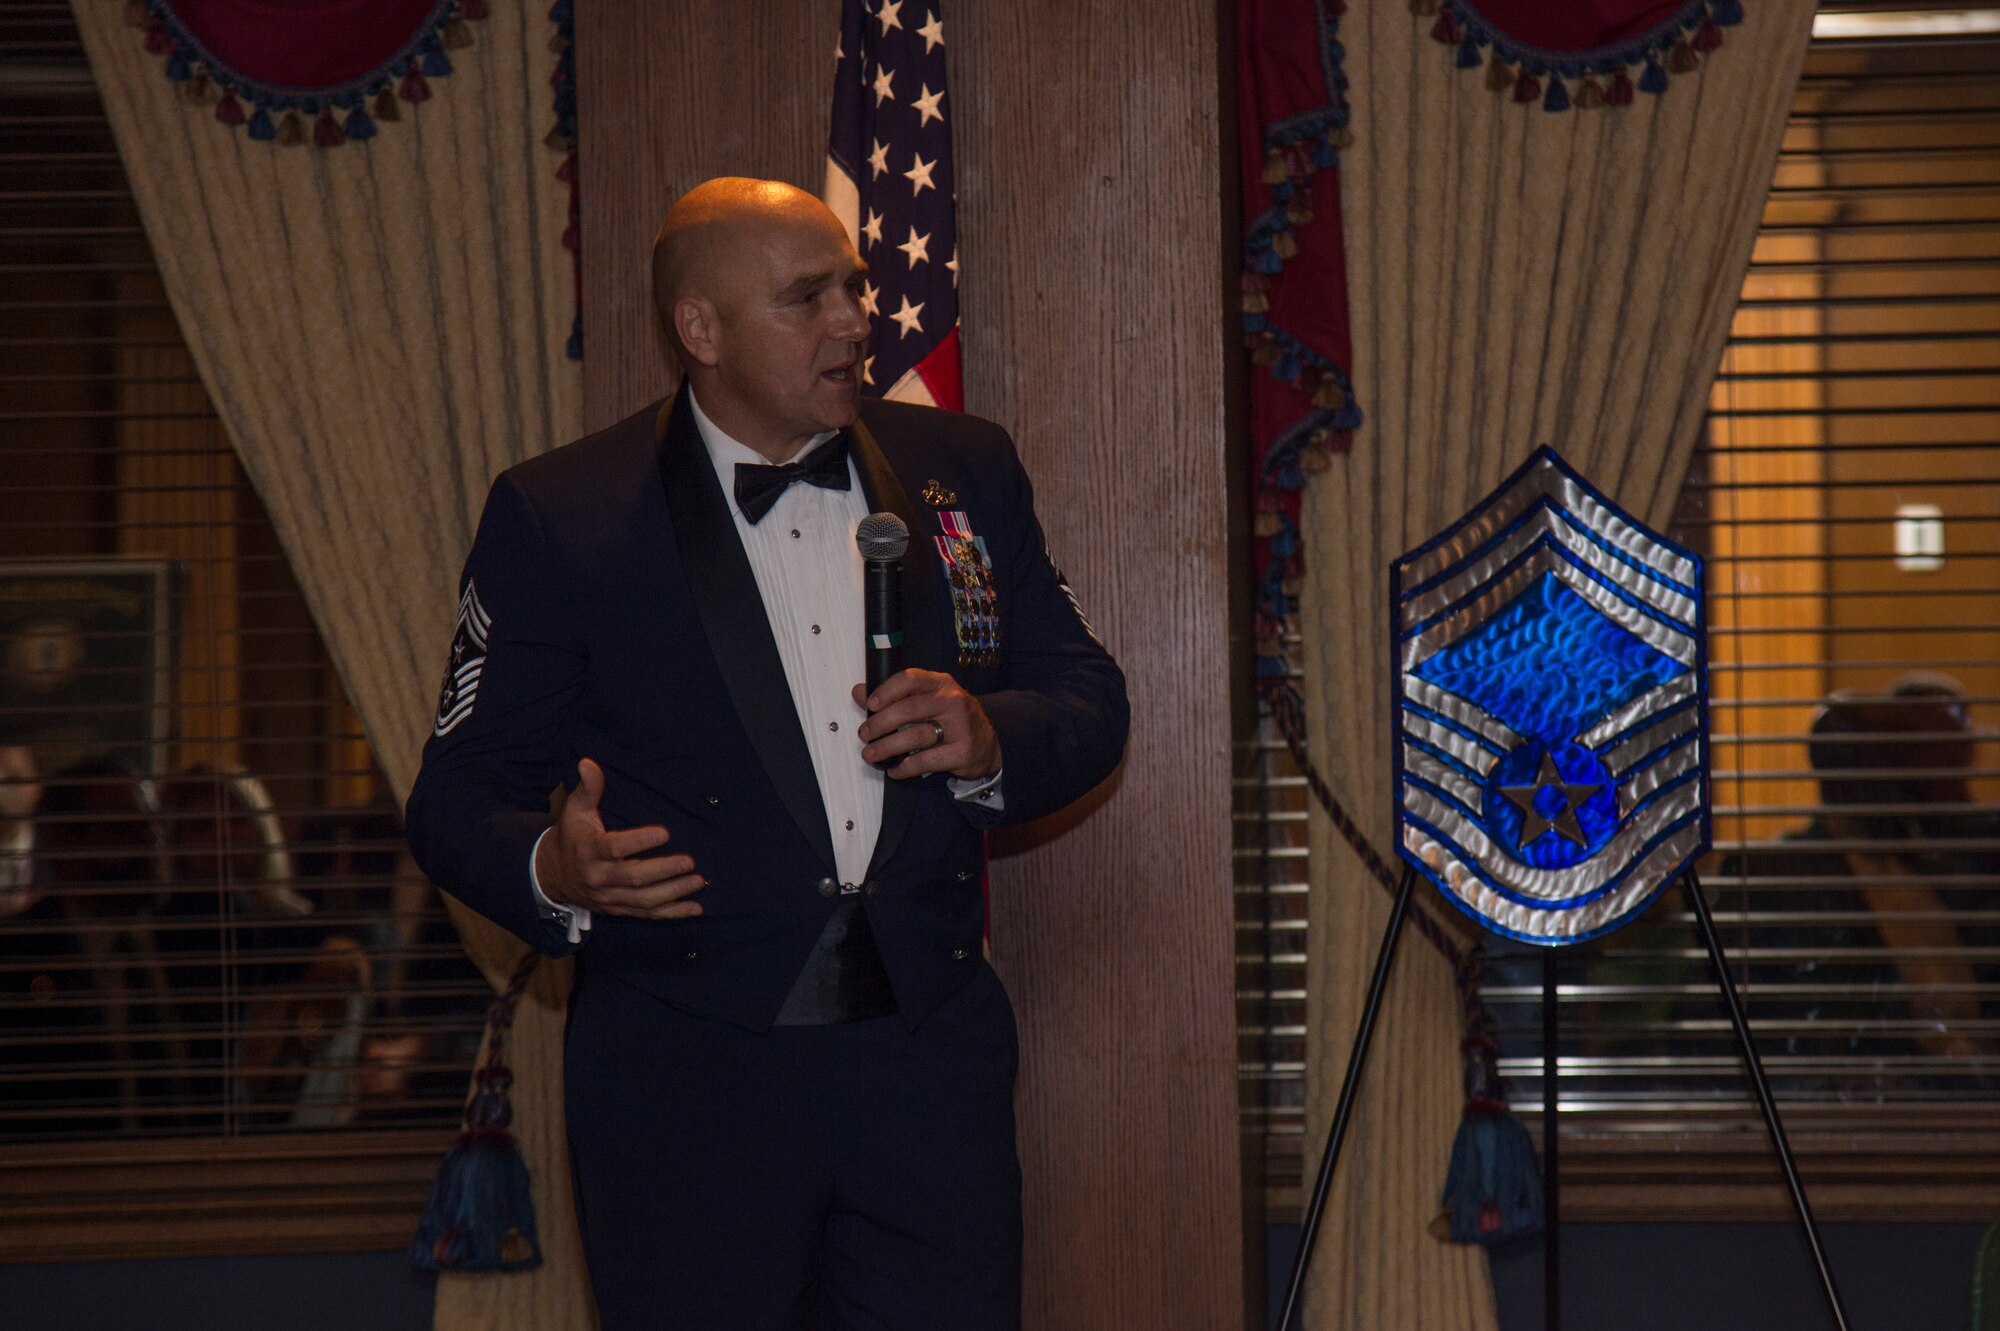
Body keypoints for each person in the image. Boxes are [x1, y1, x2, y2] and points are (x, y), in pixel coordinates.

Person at [405, 177, 1127, 1330]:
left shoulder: (963, 467)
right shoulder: (564, 513)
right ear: (701, 329)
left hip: (924, 1072)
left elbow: (1089, 692)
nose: (852, 320)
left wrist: (994, 734)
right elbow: (454, 794)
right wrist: (556, 868)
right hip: (683, 1083)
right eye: (807, 299)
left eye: (851, 286)